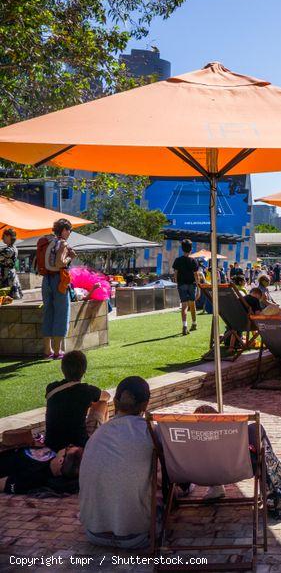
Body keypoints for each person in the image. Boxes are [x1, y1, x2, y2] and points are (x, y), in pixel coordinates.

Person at [79, 376, 155, 550]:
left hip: (93, 533)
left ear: (115, 401)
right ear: (145, 404)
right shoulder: (148, 431)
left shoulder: (97, 435)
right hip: (134, 537)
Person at [44, 351, 110, 452]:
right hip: (80, 445)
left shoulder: (51, 388)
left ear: (63, 369)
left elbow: (68, 402)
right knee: (102, 403)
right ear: (84, 371)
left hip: (52, 445)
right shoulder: (87, 391)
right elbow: (107, 396)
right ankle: (100, 444)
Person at [38, 218, 76, 360]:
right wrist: (70, 258)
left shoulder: (49, 241)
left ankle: (47, 351)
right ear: (64, 230)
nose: (70, 233)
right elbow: (60, 262)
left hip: (46, 279)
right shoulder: (62, 243)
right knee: (61, 313)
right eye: (69, 230)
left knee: (48, 312)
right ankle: (57, 351)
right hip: (59, 280)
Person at [0, 443, 83, 495]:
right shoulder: (53, 455)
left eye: (69, 447)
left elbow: (3, 484)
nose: (69, 444)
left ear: (61, 460)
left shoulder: (34, 477)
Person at [172, 238, 199, 336]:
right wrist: (198, 286)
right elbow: (196, 275)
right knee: (192, 304)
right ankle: (194, 323)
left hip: (182, 284)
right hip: (192, 284)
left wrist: (176, 283)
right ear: (191, 249)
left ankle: (185, 326)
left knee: (184, 306)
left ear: (182, 249)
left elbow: (175, 273)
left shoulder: (177, 260)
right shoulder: (193, 261)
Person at [0, 227, 22, 300]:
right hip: (11, 273)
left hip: (7, 275)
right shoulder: (14, 248)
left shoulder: (9, 250)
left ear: (9, 237)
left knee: (7, 297)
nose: (2, 238)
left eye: (4, 236)